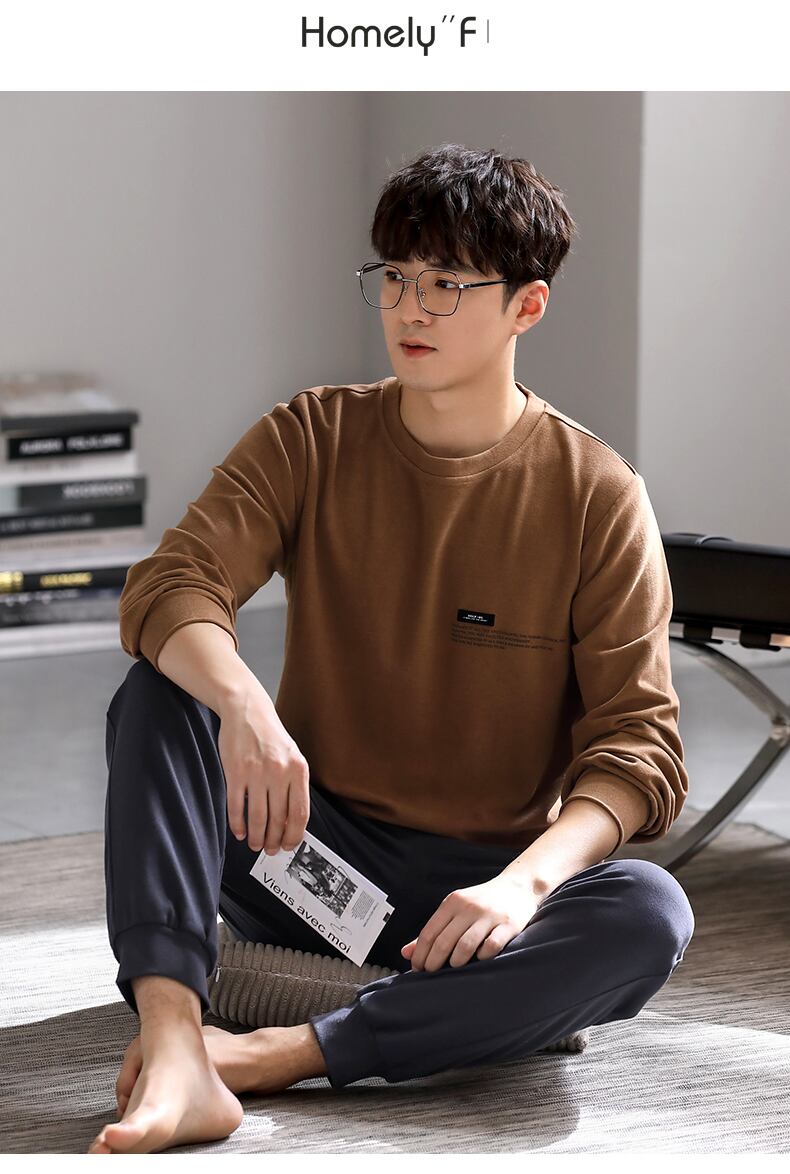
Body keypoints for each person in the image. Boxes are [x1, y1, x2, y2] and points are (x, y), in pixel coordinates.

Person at [90, 143, 695, 1154]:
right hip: (300, 849)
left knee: (647, 911)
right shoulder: (311, 435)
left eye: (447, 284)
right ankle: (176, 1041)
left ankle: (282, 1050)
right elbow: (171, 584)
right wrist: (246, 707)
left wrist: (522, 886)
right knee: (161, 695)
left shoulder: (597, 495)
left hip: (472, 901)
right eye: (397, 277)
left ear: (527, 306)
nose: (411, 308)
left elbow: (639, 748)